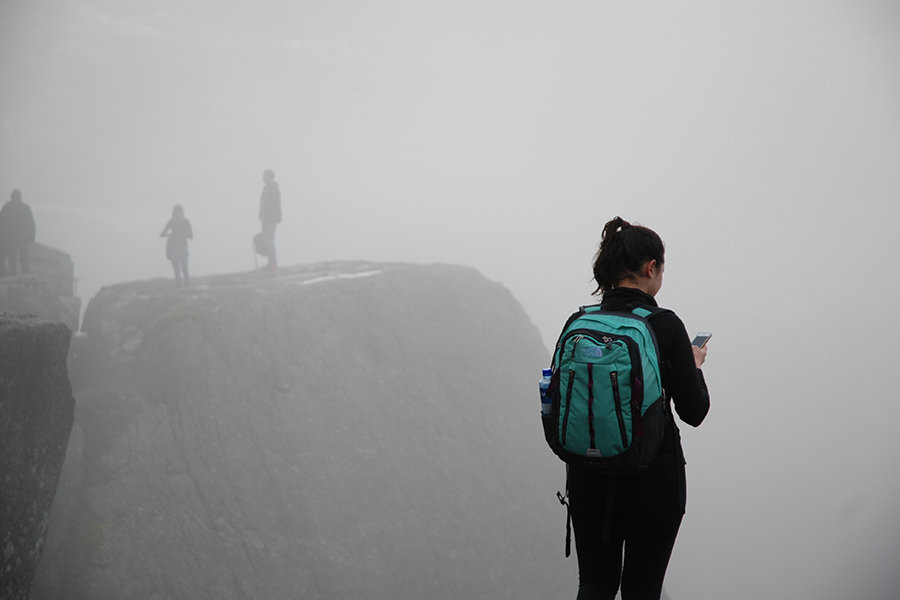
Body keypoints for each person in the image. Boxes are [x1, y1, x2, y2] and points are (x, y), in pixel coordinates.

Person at [568, 217, 710, 600]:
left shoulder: (580, 321)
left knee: (594, 584)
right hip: (653, 478)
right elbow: (694, 411)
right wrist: (693, 366)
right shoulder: (664, 325)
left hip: (588, 474)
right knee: (642, 589)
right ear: (651, 268)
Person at [0, 189, 37, 275]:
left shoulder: (7, 208)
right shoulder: (25, 208)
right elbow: (32, 224)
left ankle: (14, 273)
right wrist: (32, 237)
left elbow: (1, 223)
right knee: (23, 256)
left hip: (10, 238)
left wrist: (2, 237)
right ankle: (25, 273)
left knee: (12, 256)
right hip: (22, 237)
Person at [160, 204, 193, 287]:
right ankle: (181, 287)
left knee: (183, 269)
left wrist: (171, 235)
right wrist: (173, 235)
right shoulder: (184, 221)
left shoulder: (175, 221)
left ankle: (185, 287)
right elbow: (162, 234)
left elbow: (191, 236)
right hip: (178, 248)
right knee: (179, 270)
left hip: (179, 248)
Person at [258, 169, 281, 270]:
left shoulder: (274, 189)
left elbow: (274, 207)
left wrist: (268, 220)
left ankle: (273, 263)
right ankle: (270, 263)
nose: (263, 178)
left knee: (270, 240)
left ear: (270, 177)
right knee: (267, 240)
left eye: (265, 176)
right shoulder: (266, 188)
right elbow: (263, 204)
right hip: (265, 219)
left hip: (270, 220)